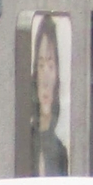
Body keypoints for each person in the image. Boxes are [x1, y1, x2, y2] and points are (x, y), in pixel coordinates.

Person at [27, 17, 69, 176]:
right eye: (41, 65)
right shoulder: (26, 143)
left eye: (51, 66)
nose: (45, 79)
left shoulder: (60, 150)